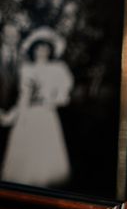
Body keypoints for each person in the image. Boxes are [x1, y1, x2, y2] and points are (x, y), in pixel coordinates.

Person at [1, 27, 73, 186]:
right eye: (39, 47)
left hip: (46, 115)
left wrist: (51, 101)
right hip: (27, 117)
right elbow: (23, 98)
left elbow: (64, 97)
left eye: (45, 47)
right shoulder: (26, 69)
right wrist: (11, 116)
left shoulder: (59, 69)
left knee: (42, 155)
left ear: (51, 50)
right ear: (33, 49)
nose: (42, 51)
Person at [0, 23, 21, 161]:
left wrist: (15, 111)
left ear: (18, 37)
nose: (11, 38)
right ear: (1, 36)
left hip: (13, 116)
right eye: (8, 35)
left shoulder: (25, 58)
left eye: (14, 35)